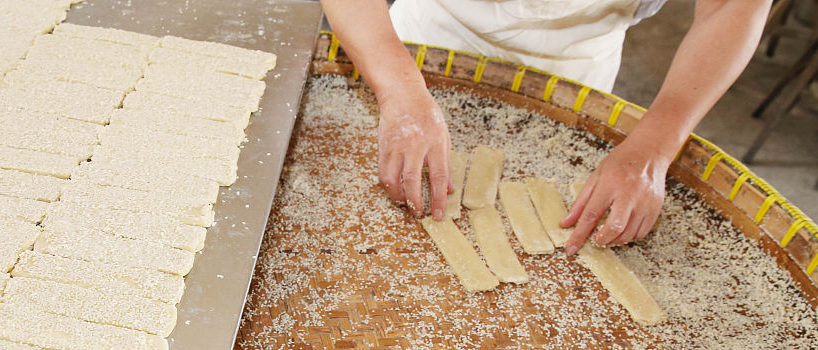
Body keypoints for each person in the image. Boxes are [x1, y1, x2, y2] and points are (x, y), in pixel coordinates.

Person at [320, 0, 770, 253]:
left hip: (577, 74)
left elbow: (732, 7)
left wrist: (654, 147)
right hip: (421, 45)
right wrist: (399, 90)